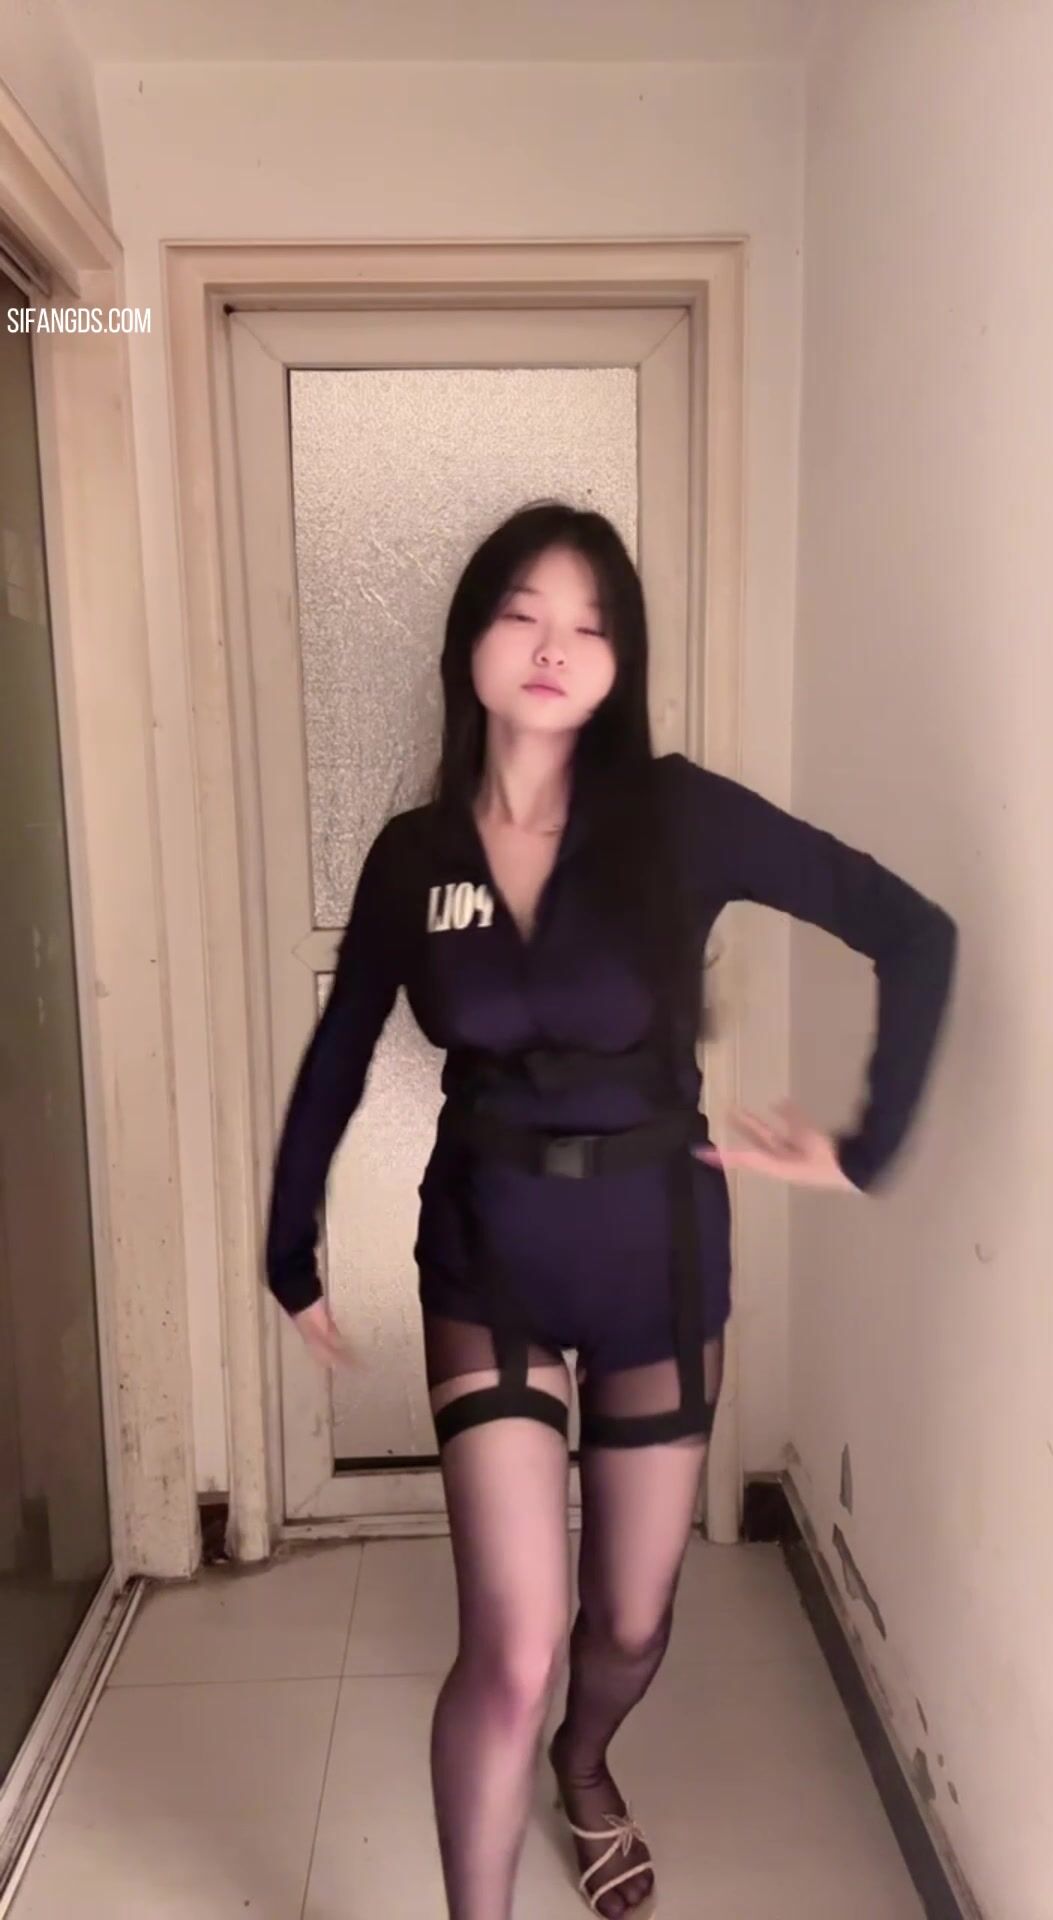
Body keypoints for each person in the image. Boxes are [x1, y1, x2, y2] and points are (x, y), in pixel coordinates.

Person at [264, 501, 957, 1920]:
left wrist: (864, 1145)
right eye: (522, 611)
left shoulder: (679, 815)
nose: (552, 644)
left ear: (620, 661)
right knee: (512, 1644)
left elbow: (910, 928)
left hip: (656, 1256)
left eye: (589, 624)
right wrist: (290, 1247)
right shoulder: (411, 857)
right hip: (489, 1256)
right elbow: (340, 1051)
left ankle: (583, 1765)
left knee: (628, 1624)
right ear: (470, 640)